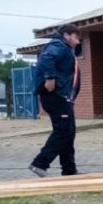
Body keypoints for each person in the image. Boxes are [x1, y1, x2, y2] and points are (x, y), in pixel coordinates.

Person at [28, 24, 83, 177]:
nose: (78, 42)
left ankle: (69, 170)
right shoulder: (58, 46)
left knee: (69, 132)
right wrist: (50, 78)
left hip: (63, 97)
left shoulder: (65, 48)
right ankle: (39, 164)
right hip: (56, 96)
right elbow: (47, 58)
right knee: (63, 131)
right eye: (76, 37)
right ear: (66, 34)